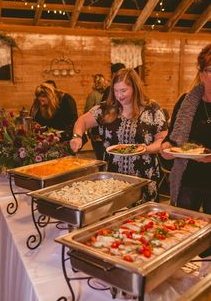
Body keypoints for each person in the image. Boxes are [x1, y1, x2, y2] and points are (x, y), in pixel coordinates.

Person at [70, 68, 168, 202]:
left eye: (123, 91)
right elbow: (82, 121)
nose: (119, 95)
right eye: (116, 91)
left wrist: (146, 149)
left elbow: (162, 140)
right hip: (113, 178)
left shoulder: (152, 110)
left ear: (135, 88)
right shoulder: (105, 109)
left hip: (144, 177)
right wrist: (77, 137)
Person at [160, 43, 211, 214]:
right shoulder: (185, 102)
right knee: (182, 226)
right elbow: (172, 138)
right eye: (210, 70)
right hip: (188, 180)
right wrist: (166, 147)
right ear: (201, 73)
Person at [84, 74, 108, 160]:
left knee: (99, 154)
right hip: (106, 127)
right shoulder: (109, 94)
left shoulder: (92, 95)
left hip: (96, 129)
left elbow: (87, 112)